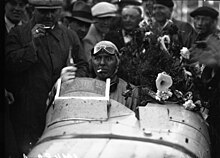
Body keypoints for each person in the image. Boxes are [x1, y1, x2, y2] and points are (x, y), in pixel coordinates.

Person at [4, 0, 89, 156]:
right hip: (27, 111)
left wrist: (72, 80)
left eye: (53, 11)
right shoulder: (18, 34)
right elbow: (9, 65)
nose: (49, 16)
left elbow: (83, 64)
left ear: (60, 11)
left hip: (60, 110)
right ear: (32, 10)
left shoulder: (69, 35)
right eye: (43, 11)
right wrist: (32, 44)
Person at [61, 40, 139, 112]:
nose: (102, 63)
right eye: (97, 58)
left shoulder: (131, 92)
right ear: (91, 62)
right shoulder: (84, 89)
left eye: (108, 58)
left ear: (117, 62)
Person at [189, 6, 220, 158]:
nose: (199, 23)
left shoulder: (216, 42)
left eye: (204, 19)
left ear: (214, 22)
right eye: (197, 19)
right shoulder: (198, 40)